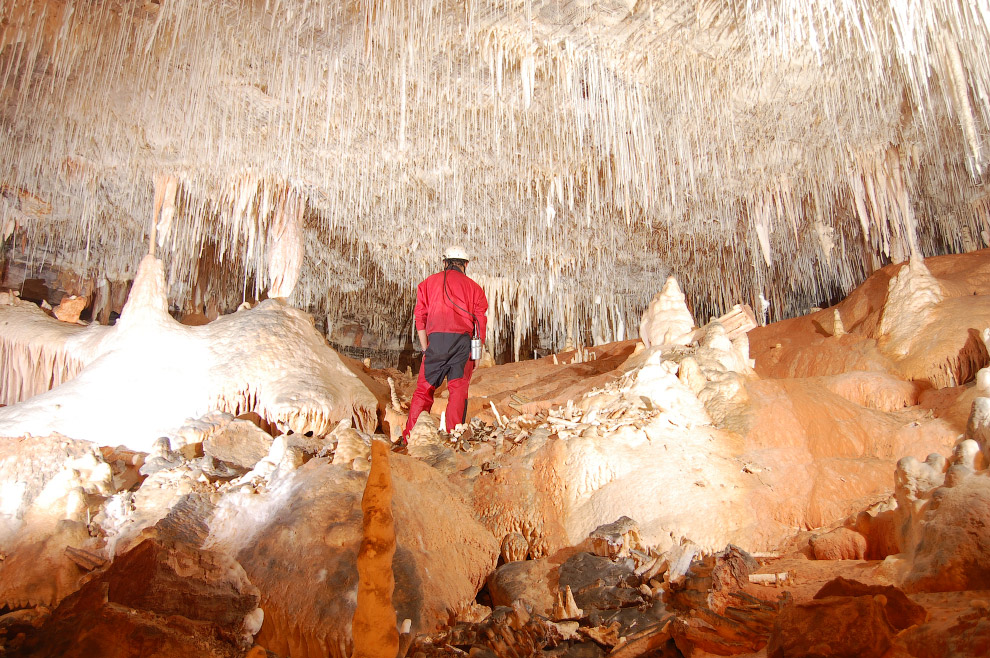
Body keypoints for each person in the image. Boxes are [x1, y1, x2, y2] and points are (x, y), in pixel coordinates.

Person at [402, 245, 488, 442]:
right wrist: (477, 355)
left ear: (444, 262)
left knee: (424, 390)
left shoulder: (427, 284)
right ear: (465, 265)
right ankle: (454, 436)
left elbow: (420, 318)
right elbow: (480, 322)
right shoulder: (474, 288)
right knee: (458, 390)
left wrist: (426, 348)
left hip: (436, 342)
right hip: (462, 343)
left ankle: (410, 437)